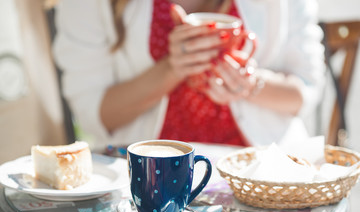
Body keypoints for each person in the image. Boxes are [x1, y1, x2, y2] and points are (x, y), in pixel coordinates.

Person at [53, 0, 325, 152]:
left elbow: (306, 90)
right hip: (148, 173)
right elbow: (94, 114)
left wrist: (249, 84)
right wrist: (172, 68)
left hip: (260, 166)